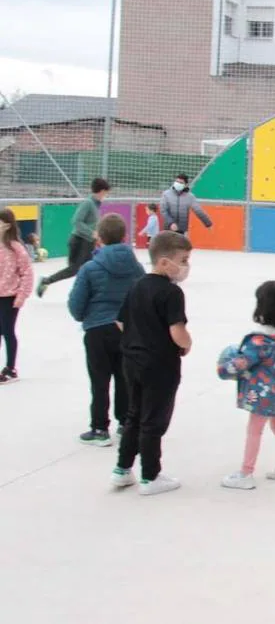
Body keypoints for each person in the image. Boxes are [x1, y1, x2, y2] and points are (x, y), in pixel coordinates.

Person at [111, 231, 194, 496]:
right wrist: (187, 344)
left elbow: (120, 321)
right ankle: (150, 475)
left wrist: (139, 338)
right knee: (153, 419)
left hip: (132, 361)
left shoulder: (136, 285)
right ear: (164, 262)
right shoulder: (171, 293)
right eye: (183, 260)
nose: (186, 266)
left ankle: (122, 469)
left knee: (134, 414)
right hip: (159, 365)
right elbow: (176, 331)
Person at [68, 213, 146, 446]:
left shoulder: (90, 268)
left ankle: (100, 429)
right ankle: (125, 422)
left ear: (99, 238)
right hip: (126, 329)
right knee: (124, 378)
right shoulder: (137, 268)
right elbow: (142, 298)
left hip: (97, 330)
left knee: (99, 380)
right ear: (124, 236)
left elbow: (76, 304)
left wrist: (84, 317)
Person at [217, 280, 275, 490]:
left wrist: (224, 367)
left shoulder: (259, 341)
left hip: (262, 393)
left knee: (254, 429)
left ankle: (246, 473)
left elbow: (241, 363)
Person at [37, 177, 109, 297]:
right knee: (74, 269)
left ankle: (88, 293)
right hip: (80, 241)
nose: (106, 195)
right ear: (101, 191)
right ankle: (46, 281)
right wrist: (91, 233)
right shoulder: (88, 203)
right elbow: (76, 221)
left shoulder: (95, 205)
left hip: (88, 242)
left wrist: (96, 236)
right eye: (106, 192)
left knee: (90, 269)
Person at [0, 209, 35, 386]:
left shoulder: (15, 247)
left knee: (7, 330)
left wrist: (21, 295)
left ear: (7, 225)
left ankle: (11, 368)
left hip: (10, 296)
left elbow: (27, 272)